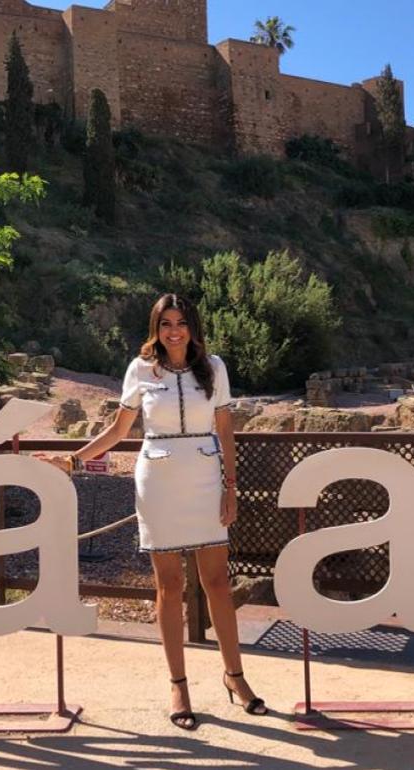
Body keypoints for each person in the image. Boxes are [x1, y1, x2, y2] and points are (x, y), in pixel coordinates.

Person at [44, 294, 266, 730]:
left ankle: (235, 676)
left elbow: (224, 428)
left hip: (206, 480)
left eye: (181, 322)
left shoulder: (214, 368)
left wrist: (231, 487)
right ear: (156, 328)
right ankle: (178, 685)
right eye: (166, 323)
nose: (174, 330)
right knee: (168, 585)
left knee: (218, 583)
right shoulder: (140, 369)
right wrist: (72, 460)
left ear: (193, 327)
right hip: (158, 480)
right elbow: (119, 429)